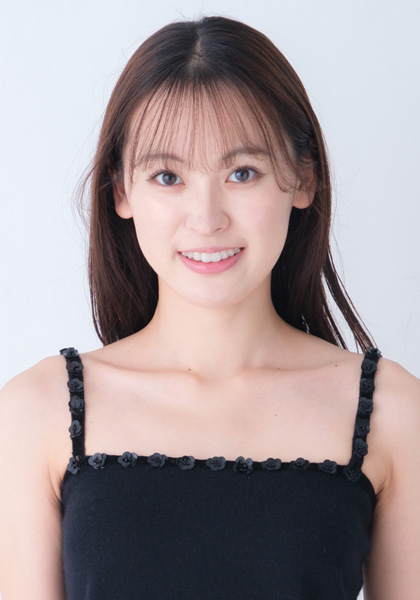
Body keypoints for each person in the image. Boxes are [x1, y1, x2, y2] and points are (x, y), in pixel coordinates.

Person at [0, 15, 419, 600]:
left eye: (242, 173)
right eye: (167, 176)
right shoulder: (35, 413)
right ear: (121, 191)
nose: (206, 218)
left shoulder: (395, 415)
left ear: (303, 179)